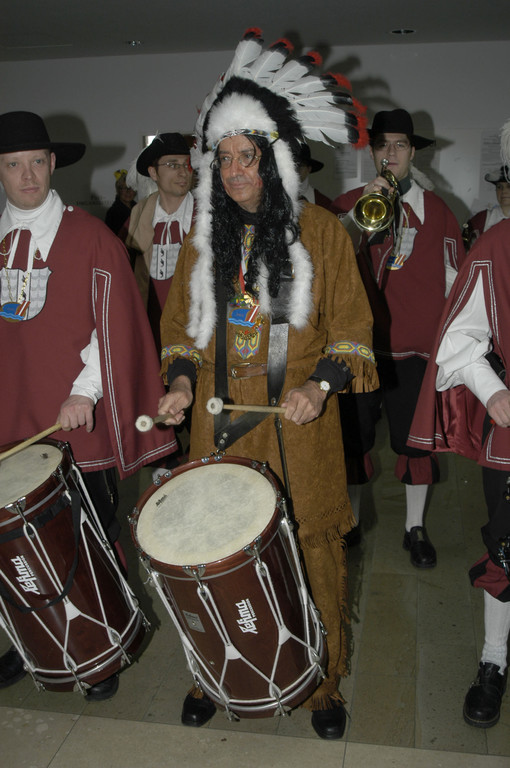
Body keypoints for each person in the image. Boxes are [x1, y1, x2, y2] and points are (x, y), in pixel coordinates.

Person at [156, 29, 377, 740]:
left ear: (274, 159)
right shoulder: (200, 244)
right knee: (208, 552)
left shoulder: (324, 233)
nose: (232, 171)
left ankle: (324, 683)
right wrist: (181, 384)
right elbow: (180, 332)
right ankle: (213, 675)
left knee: (313, 545)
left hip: (299, 425)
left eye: (244, 156)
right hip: (216, 423)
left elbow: (353, 331)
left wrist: (321, 385)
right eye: (222, 158)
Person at [0, 111, 177, 700]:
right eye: (13, 164)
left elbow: (115, 329)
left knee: (86, 536)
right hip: (10, 424)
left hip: (76, 420)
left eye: (36, 162)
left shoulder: (92, 238)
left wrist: (86, 390)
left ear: (53, 164)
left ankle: (102, 647)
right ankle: (32, 641)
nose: (27, 175)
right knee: (15, 547)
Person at [407, 117, 510, 731]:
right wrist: (493, 391)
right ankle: (494, 658)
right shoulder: (498, 245)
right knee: (507, 549)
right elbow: (458, 336)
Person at [332, 108, 465, 565]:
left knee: (416, 442)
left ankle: (415, 527)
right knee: (354, 440)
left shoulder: (437, 210)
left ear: (412, 152)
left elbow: (456, 281)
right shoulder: (347, 203)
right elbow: (325, 264)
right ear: (371, 152)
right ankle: (350, 521)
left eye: (400, 145)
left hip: (415, 350)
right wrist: (359, 214)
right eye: (383, 145)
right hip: (357, 347)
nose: (391, 153)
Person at [125, 133, 195, 351]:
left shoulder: (206, 216)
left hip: (194, 337)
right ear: (153, 172)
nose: (183, 172)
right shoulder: (137, 216)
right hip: (149, 334)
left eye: (187, 164)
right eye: (173, 165)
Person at [462, 165, 510, 250]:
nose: (504, 191)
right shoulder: (480, 220)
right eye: (499, 187)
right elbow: (464, 250)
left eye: (509, 186)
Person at [104, 169, 136, 244]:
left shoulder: (140, 209)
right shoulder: (112, 213)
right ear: (118, 190)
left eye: (130, 188)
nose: (128, 191)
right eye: (124, 188)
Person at [298, 142, 333, 210]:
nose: (295, 170)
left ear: (309, 169)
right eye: (290, 165)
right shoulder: (277, 198)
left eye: (300, 166)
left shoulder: (324, 204)